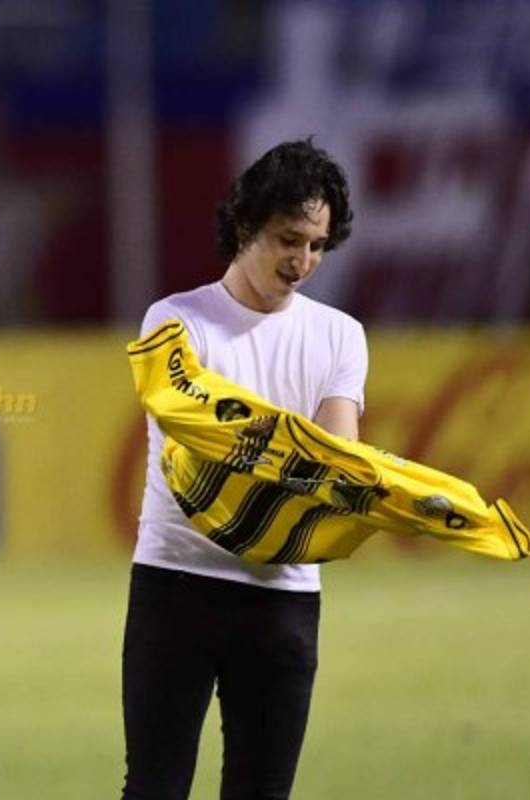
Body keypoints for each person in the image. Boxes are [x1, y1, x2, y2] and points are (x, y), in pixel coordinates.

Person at [122, 139, 364, 800]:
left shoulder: (340, 335)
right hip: (177, 584)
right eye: (290, 239)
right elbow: (198, 441)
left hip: (282, 595)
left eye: (318, 244)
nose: (304, 261)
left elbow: (340, 464)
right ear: (246, 223)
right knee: (154, 790)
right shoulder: (175, 321)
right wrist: (304, 467)